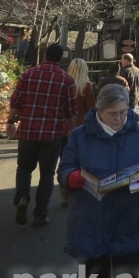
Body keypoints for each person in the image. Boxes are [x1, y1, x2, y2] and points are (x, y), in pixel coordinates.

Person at [59, 84, 139, 278]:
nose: (119, 118)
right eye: (112, 114)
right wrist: (72, 177)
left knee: (130, 276)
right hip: (90, 219)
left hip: (130, 217)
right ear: (99, 110)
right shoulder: (80, 136)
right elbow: (65, 168)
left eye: (123, 112)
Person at [7, 42, 77, 228]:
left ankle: (23, 196)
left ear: (45, 55)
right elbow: (71, 109)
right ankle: (40, 214)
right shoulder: (66, 80)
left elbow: (15, 100)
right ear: (60, 58)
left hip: (28, 131)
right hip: (52, 134)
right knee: (47, 175)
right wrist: (71, 129)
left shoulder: (28, 74)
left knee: (24, 167)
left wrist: (10, 122)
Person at [59, 58, 96, 207]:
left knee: (64, 160)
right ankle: (80, 190)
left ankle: (64, 191)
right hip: (81, 129)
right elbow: (91, 109)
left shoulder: (63, 84)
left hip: (63, 127)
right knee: (81, 161)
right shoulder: (86, 87)